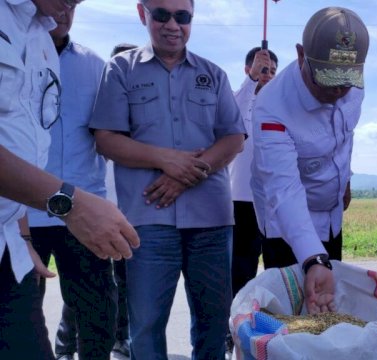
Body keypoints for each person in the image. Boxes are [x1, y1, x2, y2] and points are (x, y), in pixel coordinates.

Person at [89, 0, 245, 358]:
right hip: (148, 218)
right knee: (146, 324)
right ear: (143, 14)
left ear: (192, 18)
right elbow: (106, 139)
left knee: (214, 321)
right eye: (162, 15)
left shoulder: (214, 75)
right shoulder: (120, 71)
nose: (173, 25)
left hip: (211, 221)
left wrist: (187, 175)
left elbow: (234, 138)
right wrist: (166, 159)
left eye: (183, 16)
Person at [251, 6, 369, 314]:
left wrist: (346, 179)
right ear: (301, 55)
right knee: (291, 314)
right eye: (328, 80)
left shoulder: (352, 84)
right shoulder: (271, 107)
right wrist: (313, 258)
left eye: (346, 81)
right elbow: (283, 189)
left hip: (331, 216)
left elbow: (346, 135)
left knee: (329, 306)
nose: (339, 91)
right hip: (286, 226)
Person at [24, 7, 117, 360]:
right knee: (20, 318)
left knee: (98, 316)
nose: (64, 10)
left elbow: (111, 134)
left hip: (82, 213)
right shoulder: (13, 56)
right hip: (23, 215)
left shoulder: (95, 66)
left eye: (73, 4)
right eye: (58, 1)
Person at [229, 46, 278, 297]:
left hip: (273, 201)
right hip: (242, 201)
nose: (266, 75)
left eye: (270, 71)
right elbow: (230, 118)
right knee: (241, 267)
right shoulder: (237, 98)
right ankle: (234, 326)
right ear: (247, 70)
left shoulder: (280, 106)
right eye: (261, 69)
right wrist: (251, 82)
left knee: (276, 267)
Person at [108, 42, 139, 358]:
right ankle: (65, 338)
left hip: (131, 209)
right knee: (88, 278)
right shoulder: (100, 103)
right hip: (93, 204)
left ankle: (121, 338)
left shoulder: (144, 107)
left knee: (125, 278)